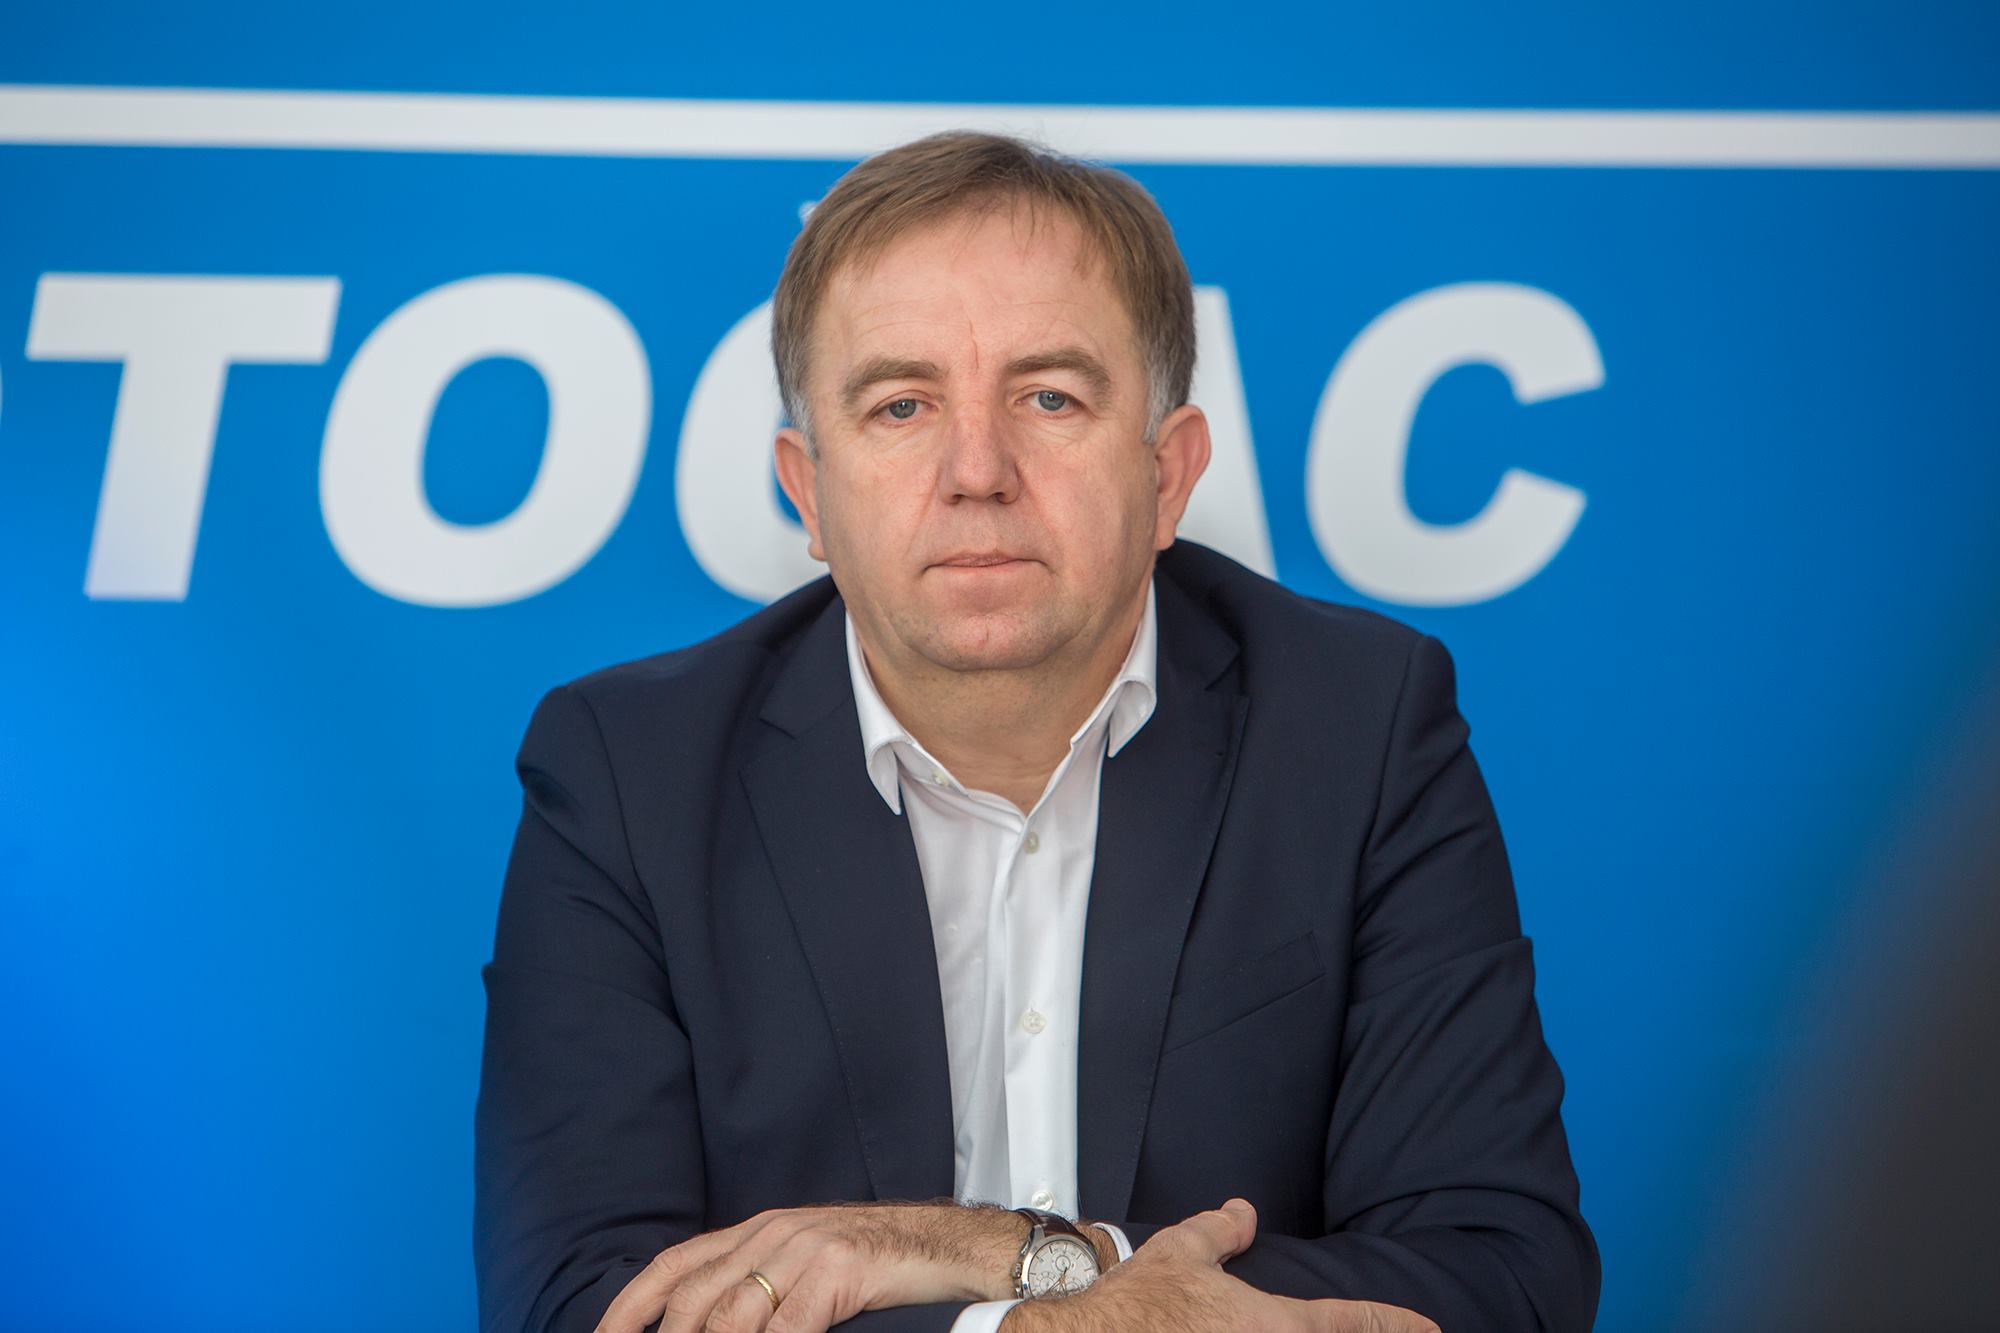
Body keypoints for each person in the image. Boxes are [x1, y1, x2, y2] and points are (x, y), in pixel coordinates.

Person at [474, 131, 1599, 1333]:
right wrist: (1066, 1309)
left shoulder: (1359, 725)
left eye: (1048, 396)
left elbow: (1503, 1273)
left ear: (1168, 473)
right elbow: (582, 1306)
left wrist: (1005, 1261)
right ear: (809, 492)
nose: (977, 469)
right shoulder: (627, 772)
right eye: (901, 405)